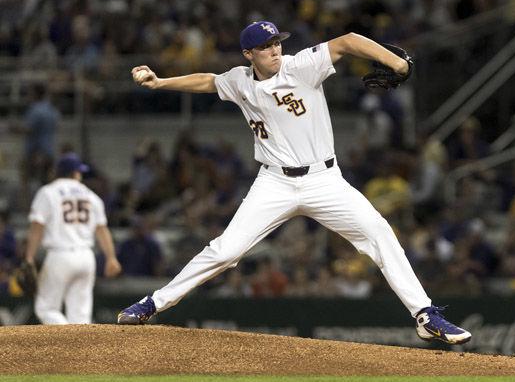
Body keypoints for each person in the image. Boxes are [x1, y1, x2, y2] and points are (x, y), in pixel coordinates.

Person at [117, 21, 472, 345]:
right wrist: (161, 82)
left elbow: (347, 41)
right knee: (225, 251)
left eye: (277, 43)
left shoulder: (301, 66)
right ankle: (153, 303)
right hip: (273, 183)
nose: (275, 51)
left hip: (324, 180)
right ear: (248, 54)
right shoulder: (239, 79)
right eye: (266, 47)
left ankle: (425, 315)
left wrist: (398, 64)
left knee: (379, 233)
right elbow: (208, 80)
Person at [25, 153, 122, 324]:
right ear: (75, 173)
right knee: (80, 315)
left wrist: (29, 257)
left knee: (47, 309)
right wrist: (111, 257)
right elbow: (102, 230)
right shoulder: (91, 196)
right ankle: (81, 350)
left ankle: (66, 345)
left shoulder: (48, 192)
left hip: (60, 255)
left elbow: (37, 227)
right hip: (86, 257)